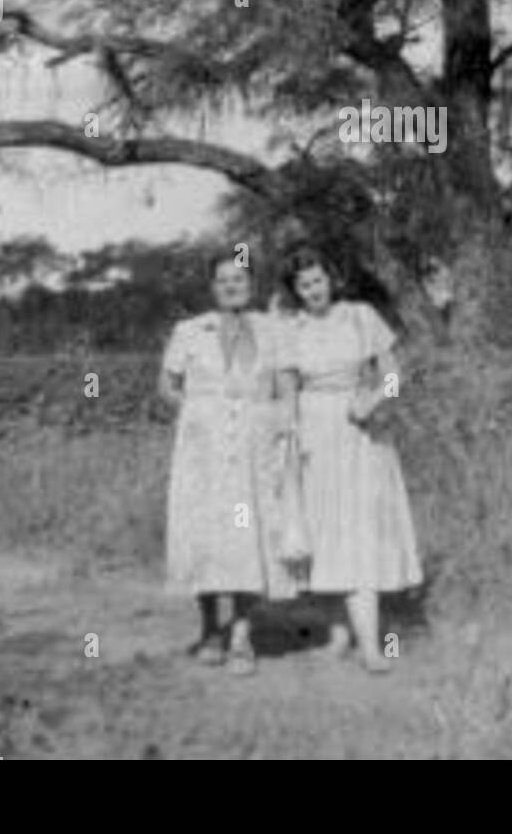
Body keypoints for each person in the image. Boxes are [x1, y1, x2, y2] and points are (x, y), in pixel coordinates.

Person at [277, 247, 422, 674]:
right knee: (327, 531)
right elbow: (286, 393)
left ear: (331, 280)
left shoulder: (361, 316)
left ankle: (372, 646)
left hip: (360, 433)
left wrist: (374, 399)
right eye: (304, 285)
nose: (313, 290)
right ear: (295, 292)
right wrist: (289, 442)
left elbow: (397, 376)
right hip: (314, 435)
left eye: (318, 281)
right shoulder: (290, 330)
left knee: (360, 529)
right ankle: (340, 633)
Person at [159, 250, 298, 676]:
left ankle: (241, 635)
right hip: (203, 456)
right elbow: (166, 386)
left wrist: (280, 428)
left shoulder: (273, 330)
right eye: (222, 280)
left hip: (252, 455)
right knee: (205, 535)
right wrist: (195, 415)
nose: (231, 286)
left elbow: (287, 389)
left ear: (251, 285)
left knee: (244, 533)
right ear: (212, 287)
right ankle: (209, 630)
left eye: (238, 278)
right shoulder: (189, 330)